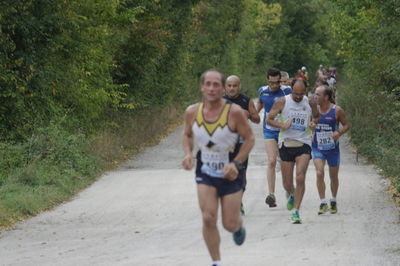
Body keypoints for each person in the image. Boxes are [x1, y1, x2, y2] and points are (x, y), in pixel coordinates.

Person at [182, 69, 255, 266]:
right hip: (206, 170)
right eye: (208, 84)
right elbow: (187, 134)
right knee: (208, 218)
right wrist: (188, 154)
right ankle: (217, 262)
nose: (212, 88)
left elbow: (249, 139)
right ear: (202, 87)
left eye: (216, 85)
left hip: (230, 172)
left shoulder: (235, 113)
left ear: (222, 88)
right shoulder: (192, 112)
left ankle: (238, 225)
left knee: (229, 224)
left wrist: (237, 163)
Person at [266, 78, 319, 224]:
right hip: (286, 143)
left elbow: (316, 117)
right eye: (295, 93)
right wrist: (282, 125)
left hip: (304, 142)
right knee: (287, 183)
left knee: (300, 177)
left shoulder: (311, 102)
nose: (298, 97)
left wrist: (313, 123)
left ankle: (296, 212)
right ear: (291, 89)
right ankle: (290, 193)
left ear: (306, 91)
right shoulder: (282, 101)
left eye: (301, 94)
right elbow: (269, 120)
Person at [223, 75, 260, 215]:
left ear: (239, 86)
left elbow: (257, 119)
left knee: (241, 176)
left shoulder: (246, 100)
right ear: (225, 87)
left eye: (235, 85)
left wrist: (249, 115)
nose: (232, 88)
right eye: (229, 85)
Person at [257, 68, 292, 208]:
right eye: (271, 83)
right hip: (269, 131)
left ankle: (290, 191)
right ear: (267, 80)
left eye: (277, 82)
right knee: (271, 161)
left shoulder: (287, 91)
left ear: (280, 80)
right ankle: (271, 194)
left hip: (285, 132)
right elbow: (258, 107)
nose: (274, 86)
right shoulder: (262, 91)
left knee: (286, 164)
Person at [313, 85, 350, 215]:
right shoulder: (314, 110)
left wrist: (338, 133)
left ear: (326, 97)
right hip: (317, 147)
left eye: (317, 94)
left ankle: (333, 200)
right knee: (319, 173)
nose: (315, 96)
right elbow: (309, 124)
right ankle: (323, 202)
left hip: (333, 148)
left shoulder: (337, 110)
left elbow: (346, 125)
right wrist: (311, 126)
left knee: (333, 176)